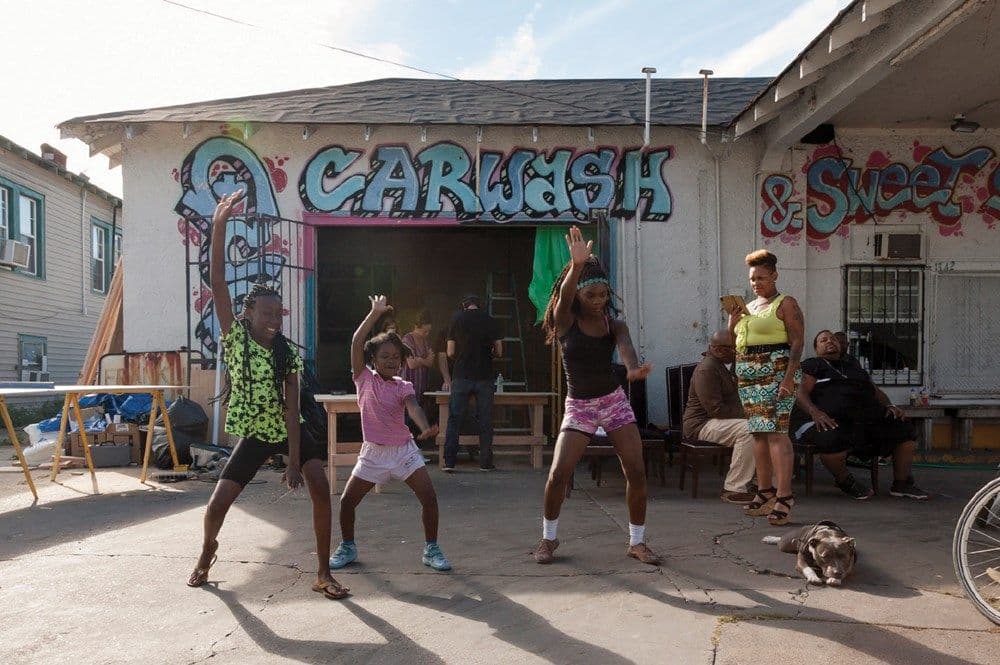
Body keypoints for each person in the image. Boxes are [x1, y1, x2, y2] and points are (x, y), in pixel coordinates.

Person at [187, 190, 349, 600]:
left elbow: (294, 408)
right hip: (255, 433)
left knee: (319, 484)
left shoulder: (286, 353)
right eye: (266, 313)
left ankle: (323, 571)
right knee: (216, 505)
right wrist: (219, 224)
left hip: (287, 428)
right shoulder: (234, 336)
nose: (274, 319)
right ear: (248, 314)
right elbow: (218, 281)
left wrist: (294, 462)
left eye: (278, 313)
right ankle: (208, 552)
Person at [534, 225, 662, 566]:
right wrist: (576, 268)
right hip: (580, 407)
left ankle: (637, 541)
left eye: (604, 295)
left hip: (614, 403)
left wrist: (634, 370)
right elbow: (562, 296)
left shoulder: (614, 324)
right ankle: (548, 539)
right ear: (578, 295)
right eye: (591, 296)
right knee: (558, 473)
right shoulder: (564, 321)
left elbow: (628, 353)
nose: (599, 302)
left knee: (635, 470)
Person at [329, 295, 452, 572]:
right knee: (347, 502)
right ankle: (347, 546)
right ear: (372, 359)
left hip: (403, 452)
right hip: (373, 452)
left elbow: (414, 407)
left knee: (429, 498)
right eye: (384, 356)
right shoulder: (363, 378)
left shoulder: (403, 386)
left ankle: (431, 548)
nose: (391, 361)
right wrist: (374, 313)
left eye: (396, 357)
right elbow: (356, 342)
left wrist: (424, 428)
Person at [791, 330, 928, 500]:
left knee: (904, 429)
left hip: (862, 422)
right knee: (832, 437)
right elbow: (800, 393)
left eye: (833, 339)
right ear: (816, 349)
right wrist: (815, 412)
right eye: (823, 340)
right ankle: (845, 481)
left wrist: (889, 405)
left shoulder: (853, 368)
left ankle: (902, 483)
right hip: (824, 421)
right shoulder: (814, 365)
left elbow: (877, 392)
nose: (829, 342)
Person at [727, 249, 805, 526]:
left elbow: (797, 342)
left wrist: (788, 377)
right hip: (748, 375)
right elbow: (735, 341)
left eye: (761, 277)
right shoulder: (749, 307)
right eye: (752, 278)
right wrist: (733, 324)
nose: (756, 283)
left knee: (777, 434)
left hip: (776, 370)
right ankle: (765, 491)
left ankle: (784, 496)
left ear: (774, 275)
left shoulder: (786, 303)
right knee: (758, 435)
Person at [682, 330, 757, 504]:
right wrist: (748, 415)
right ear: (720, 350)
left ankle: (760, 484)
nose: (738, 353)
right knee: (750, 430)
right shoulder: (706, 369)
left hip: (715, 421)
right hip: (700, 425)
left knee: (763, 425)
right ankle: (733, 488)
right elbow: (716, 410)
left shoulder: (719, 365)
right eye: (735, 349)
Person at [442, 294, 502, 471]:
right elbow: (499, 351)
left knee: (454, 419)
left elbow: (450, 351)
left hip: (461, 375)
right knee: (485, 419)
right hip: (484, 375)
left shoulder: (456, 319)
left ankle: (449, 462)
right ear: (480, 305)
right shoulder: (491, 320)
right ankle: (485, 462)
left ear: (464, 305)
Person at [402, 310, 436, 425]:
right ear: (417, 326)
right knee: (408, 417)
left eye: (428, 332)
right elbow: (411, 364)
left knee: (419, 417)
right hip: (409, 387)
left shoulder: (425, 341)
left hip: (422, 387)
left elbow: (431, 362)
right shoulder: (407, 340)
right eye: (424, 331)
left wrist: (419, 360)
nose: (426, 334)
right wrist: (424, 360)